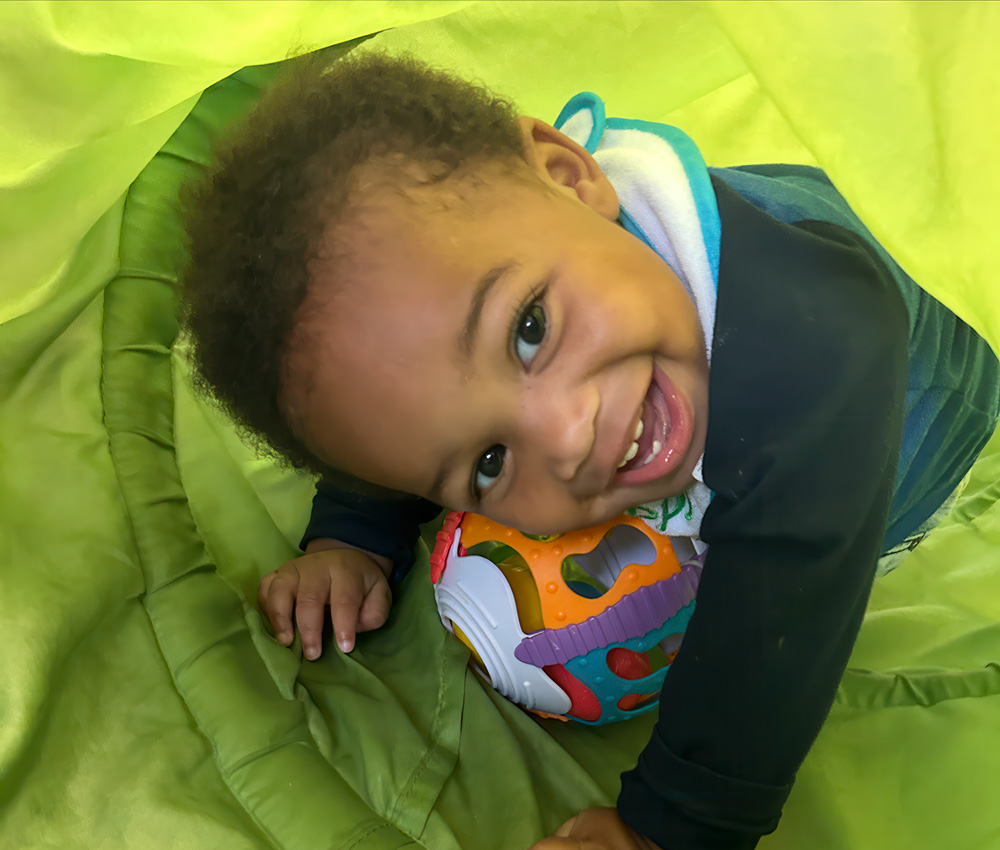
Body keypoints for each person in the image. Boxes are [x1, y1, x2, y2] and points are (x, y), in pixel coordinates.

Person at [179, 51, 1000, 850]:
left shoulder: (814, 354)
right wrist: (355, 531)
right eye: (489, 463)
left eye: (530, 330)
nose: (569, 438)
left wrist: (668, 827)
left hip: (917, 409)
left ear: (573, 176)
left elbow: (778, 632)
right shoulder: (514, 261)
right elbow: (402, 408)